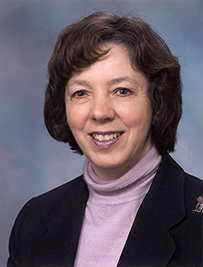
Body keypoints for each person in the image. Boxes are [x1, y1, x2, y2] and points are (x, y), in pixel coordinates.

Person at [7, 12, 203, 267]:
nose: (100, 112)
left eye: (122, 90)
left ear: (156, 101)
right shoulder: (34, 220)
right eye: (80, 93)